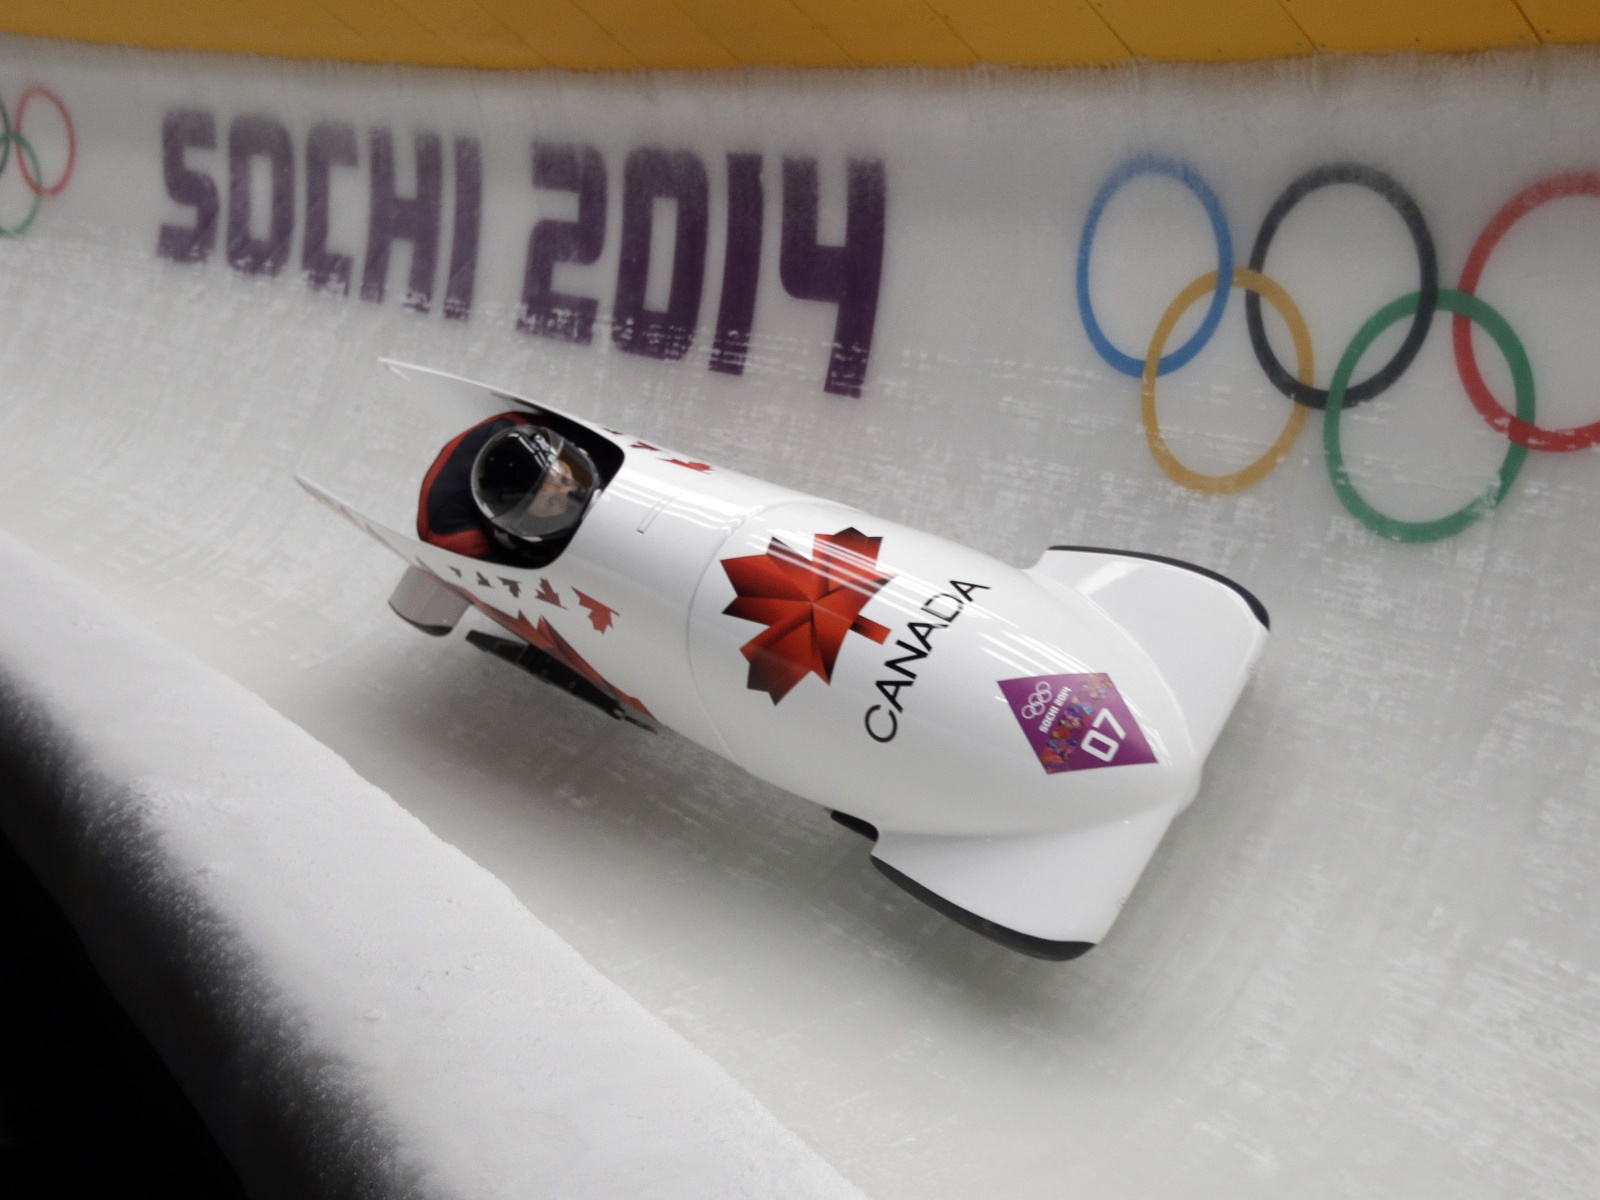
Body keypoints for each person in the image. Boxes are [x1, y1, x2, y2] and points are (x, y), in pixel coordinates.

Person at [417, 413, 598, 562]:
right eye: (551, 501)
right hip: (453, 527)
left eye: (565, 479)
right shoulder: (451, 535)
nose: (572, 493)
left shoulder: (525, 428)